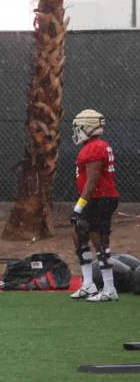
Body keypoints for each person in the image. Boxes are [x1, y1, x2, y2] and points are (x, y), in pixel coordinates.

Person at [68, 109, 120, 302]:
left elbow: (92, 182)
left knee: (99, 240)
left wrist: (79, 206)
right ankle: (88, 283)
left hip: (99, 199)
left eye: (78, 128)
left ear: (87, 128)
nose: (75, 132)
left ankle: (109, 288)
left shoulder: (94, 148)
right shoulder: (94, 146)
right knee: (79, 234)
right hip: (96, 198)